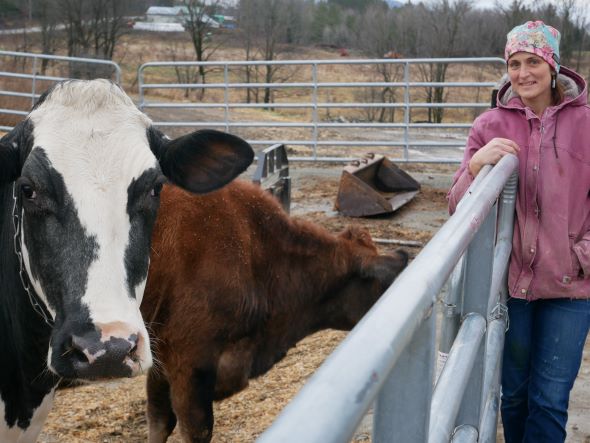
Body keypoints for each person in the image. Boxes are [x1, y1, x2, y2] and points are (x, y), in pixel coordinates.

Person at [447, 20, 590, 443]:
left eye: (533, 61)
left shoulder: (586, 124)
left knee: (549, 400)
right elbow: (457, 205)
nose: (523, 72)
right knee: (513, 397)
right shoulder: (488, 125)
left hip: (570, 287)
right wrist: (476, 167)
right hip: (510, 287)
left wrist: (584, 255)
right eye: (514, 63)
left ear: (553, 65)